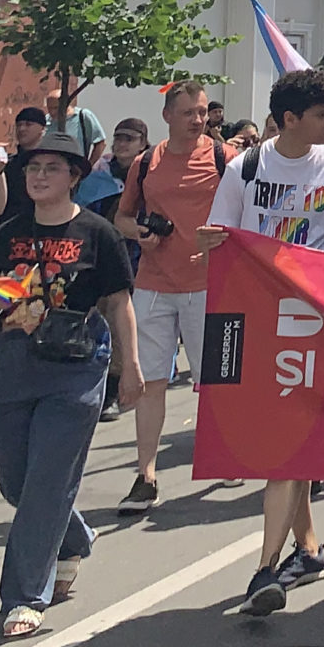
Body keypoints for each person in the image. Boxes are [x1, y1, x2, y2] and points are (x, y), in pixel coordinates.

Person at [199, 66, 324, 617]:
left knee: (289, 443)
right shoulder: (246, 168)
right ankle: (310, 549)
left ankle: (264, 570)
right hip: (253, 318)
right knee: (277, 443)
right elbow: (221, 243)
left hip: (314, 325)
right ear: (290, 119)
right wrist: (212, 245)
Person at [0, 142, 142, 637]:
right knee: (15, 477)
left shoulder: (98, 234)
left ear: (73, 178)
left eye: (53, 169)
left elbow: (118, 304)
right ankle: (73, 536)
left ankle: (25, 596)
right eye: (34, 168)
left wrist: (129, 367)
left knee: (48, 478)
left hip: (75, 363)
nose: (40, 176)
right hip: (12, 362)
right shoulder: (7, 235)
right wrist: (5, 288)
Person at [112, 80, 226, 514]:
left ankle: (226, 452)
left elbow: (246, 212)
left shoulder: (223, 158)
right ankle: (146, 475)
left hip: (207, 285)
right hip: (154, 283)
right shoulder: (146, 163)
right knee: (151, 382)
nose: (198, 119)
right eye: (188, 113)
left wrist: (223, 240)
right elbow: (122, 216)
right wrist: (138, 232)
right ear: (167, 117)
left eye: (201, 112)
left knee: (213, 382)